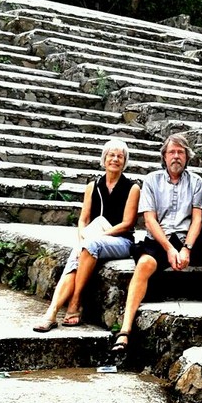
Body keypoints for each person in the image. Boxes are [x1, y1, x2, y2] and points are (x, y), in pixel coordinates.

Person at [112, 133, 202, 351]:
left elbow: (197, 219)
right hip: (158, 239)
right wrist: (170, 249)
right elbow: (149, 220)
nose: (176, 156)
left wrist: (186, 248)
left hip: (185, 238)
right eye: (172, 152)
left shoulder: (197, 182)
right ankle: (125, 330)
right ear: (164, 156)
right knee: (145, 263)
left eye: (180, 152)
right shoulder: (151, 180)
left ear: (187, 157)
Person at [35, 139, 141, 331]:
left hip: (121, 241)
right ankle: (51, 313)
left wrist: (98, 237)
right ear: (104, 159)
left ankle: (75, 302)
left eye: (120, 156)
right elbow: (83, 220)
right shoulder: (93, 186)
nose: (115, 159)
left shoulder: (132, 188)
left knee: (91, 245)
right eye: (111, 155)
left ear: (124, 161)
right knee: (75, 259)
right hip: (92, 239)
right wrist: (82, 240)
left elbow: (128, 223)